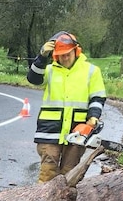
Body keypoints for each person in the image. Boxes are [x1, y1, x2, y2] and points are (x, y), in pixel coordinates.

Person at [27, 31, 106, 183]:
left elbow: (97, 97)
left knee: (69, 174)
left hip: (77, 130)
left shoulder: (91, 71)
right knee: (48, 172)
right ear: (55, 54)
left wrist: (93, 117)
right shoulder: (49, 70)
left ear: (76, 51)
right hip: (50, 131)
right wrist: (42, 57)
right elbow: (33, 78)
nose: (65, 58)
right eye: (61, 54)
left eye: (67, 54)